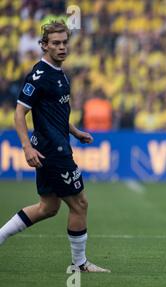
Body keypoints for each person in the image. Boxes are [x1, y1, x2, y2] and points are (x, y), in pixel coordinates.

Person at [0, 21, 110, 273]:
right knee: (80, 203)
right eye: (56, 43)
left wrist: (75, 131)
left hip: (55, 145)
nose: (62, 47)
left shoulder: (59, 74)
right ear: (44, 45)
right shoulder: (39, 76)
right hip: (53, 151)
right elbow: (19, 114)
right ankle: (80, 264)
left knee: (48, 207)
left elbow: (56, 113)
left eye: (64, 43)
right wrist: (26, 147)